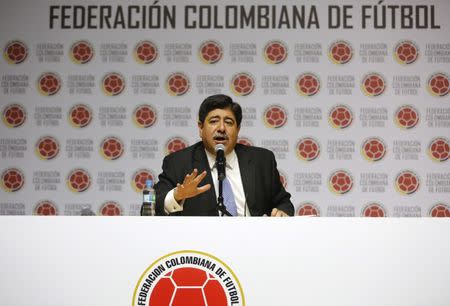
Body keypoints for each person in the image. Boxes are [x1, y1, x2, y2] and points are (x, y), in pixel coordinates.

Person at [155, 94, 294, 216]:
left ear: (238, 129)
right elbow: (155, 206)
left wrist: (281, 212)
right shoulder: (177, 163)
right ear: (200, 127)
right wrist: (177, 196)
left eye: (228, 122)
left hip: (254, 241)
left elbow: (284, 203)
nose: (221, 128)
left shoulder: (262, 160)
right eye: (214, 121)